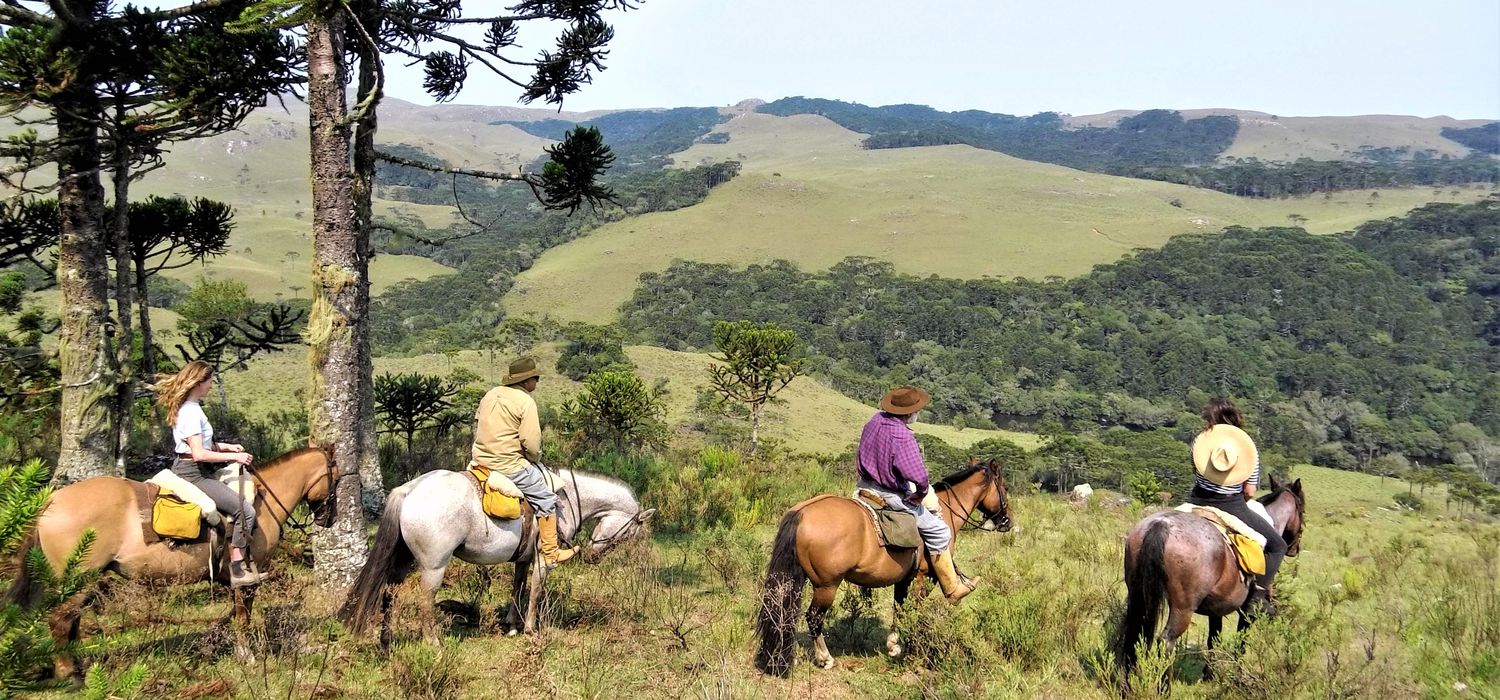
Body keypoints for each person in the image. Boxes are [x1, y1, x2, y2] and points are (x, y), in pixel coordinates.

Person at [855, 385, 979, 601]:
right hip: (889, 493)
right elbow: (919, 478)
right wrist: (920, 493)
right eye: (916, 409)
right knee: (940, 531)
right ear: (910, 412)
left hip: (864, 485)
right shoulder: (902, 436)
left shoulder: (875, 420)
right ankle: (952, 588)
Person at [155, 360, 265, 588]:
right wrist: (235, 458)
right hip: (194, 474)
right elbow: (198, 454)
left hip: (191, 468)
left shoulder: (189, 408)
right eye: (209, 381)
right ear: (199, 382)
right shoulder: (191, 413)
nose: (211, 385)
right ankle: (237, 569)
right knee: (245, 510)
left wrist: (226, 447)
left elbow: (202, 445)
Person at [471, 357, 576, 568]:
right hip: (508, 464)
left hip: (480, 460)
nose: (536, 382)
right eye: (535, 378)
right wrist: (535, 458)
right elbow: (531, 443)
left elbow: (478, 421)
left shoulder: (490, 394)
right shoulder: (525, 401)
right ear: (526, 381)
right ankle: (551, 553)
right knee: (547, 499)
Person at [1187, 397, 1285, 617]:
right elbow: (1250, 492)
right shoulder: (1248, 449)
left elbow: (1197, 471)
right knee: (1277, 545)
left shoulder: (1199, 442)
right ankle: (1257, 599)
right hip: (1231, 506)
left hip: (1195, 500)